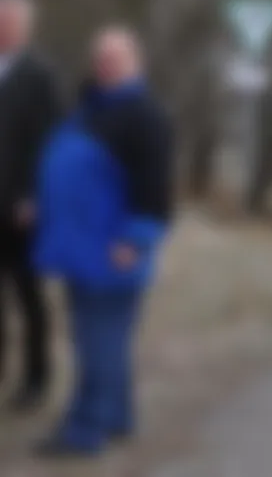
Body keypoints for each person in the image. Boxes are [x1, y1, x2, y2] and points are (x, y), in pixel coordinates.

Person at [30, 27, 171, 457]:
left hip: (113, 252)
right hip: (81, 249)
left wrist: (136, 239)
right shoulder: (92, 107)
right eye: (101, 58)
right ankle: (118, 417)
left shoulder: (143, 115)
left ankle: (85, 431)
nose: (105, 65)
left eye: (116, 58)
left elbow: (155, 187)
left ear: (135, 62)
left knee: (98, 345)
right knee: (105, 341)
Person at [0, 0, 63, 413]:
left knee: (28, 295)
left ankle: (36, 380)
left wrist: (36, 197)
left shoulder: (39, 76)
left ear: (23, 27)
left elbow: (52, 142)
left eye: (10, 22)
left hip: (21, 210)